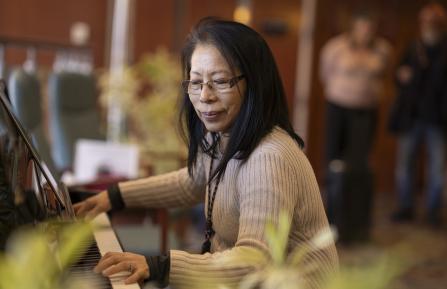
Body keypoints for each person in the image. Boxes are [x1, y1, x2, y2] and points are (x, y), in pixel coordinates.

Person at [74, 18, 338, 289]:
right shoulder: (222, 136)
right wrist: (114, 196)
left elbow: (254, 261)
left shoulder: (269, 156)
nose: (204, 96)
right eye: (196, 82)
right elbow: (191, 182)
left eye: (220, 81)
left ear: (255, 84)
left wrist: (160, 265)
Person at [320, 11, 392, 242]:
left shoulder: (383, 49)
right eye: (362, 28)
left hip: (366, 112)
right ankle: (330, 217)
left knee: (359, 166)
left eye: (370, 29)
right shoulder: (335, 47)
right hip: (338, 108)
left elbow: (385, 75)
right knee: (334, 162)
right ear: (354, 27)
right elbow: (325, 74)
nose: (365, 33)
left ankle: (356, 224)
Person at [389, 3, 447, 226]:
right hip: (411, 117)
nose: (429, 26)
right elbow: (398, 75)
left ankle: (433, 212)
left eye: (434, 22)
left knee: (437, 168)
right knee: (405, 165)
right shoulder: (413, 47)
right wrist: (401, 76)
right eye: (426, 22)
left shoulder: (444, 50)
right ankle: (405, 207)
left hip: (438, 120)